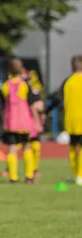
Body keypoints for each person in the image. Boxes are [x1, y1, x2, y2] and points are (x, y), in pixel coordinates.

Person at [46, 56, 82, 186]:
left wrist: (47, 110)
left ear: (72, 67)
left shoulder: (68, 81)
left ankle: (75, 173)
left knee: (73, 146)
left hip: (71, 119)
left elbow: (57, 98)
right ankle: (81, 175)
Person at [0, 58, 37, 184]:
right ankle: (29, 176)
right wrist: (36, 120)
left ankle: (13, 177)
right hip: (24, 122)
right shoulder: (24, 85)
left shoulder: (6, 85)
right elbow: (31, 103)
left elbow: (3, 103)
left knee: (11, 149)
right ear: (21, 69)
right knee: (27, 147)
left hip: (10, 122)